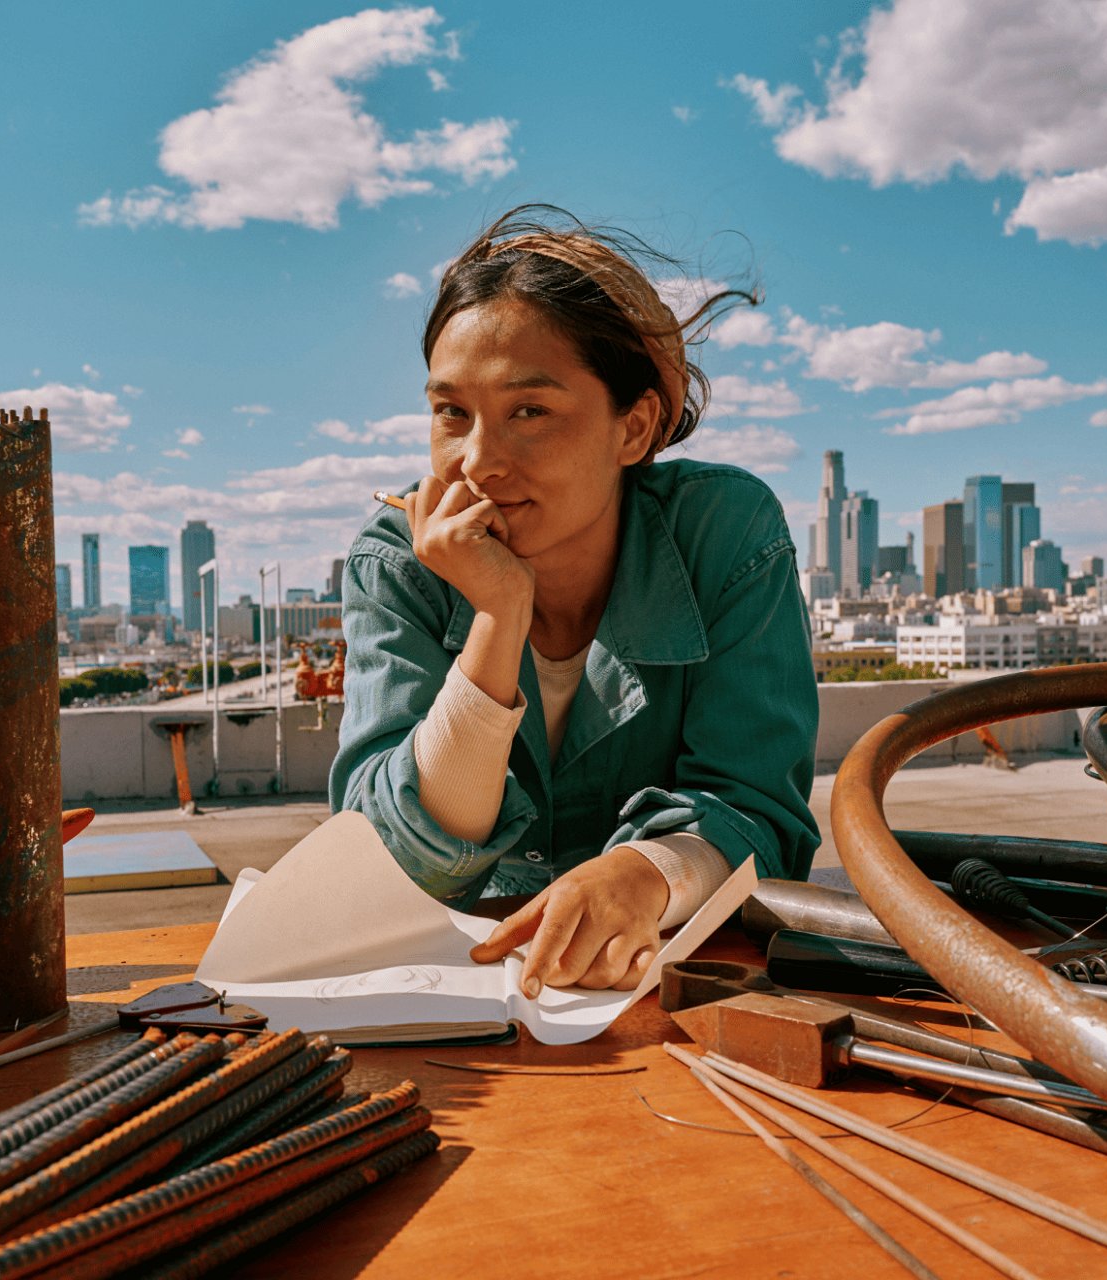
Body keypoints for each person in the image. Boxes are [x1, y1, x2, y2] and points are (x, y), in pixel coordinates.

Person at [330, 206, 819, 998]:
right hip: (455, 997)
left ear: (634, 429)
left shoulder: (725, 534)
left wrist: (645, 873)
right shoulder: (397, 563)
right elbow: (392, 860)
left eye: (530, 411)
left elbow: (758, 809)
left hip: (669, 992)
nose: (479, 463)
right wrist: (496, 618)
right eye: (452, 413)